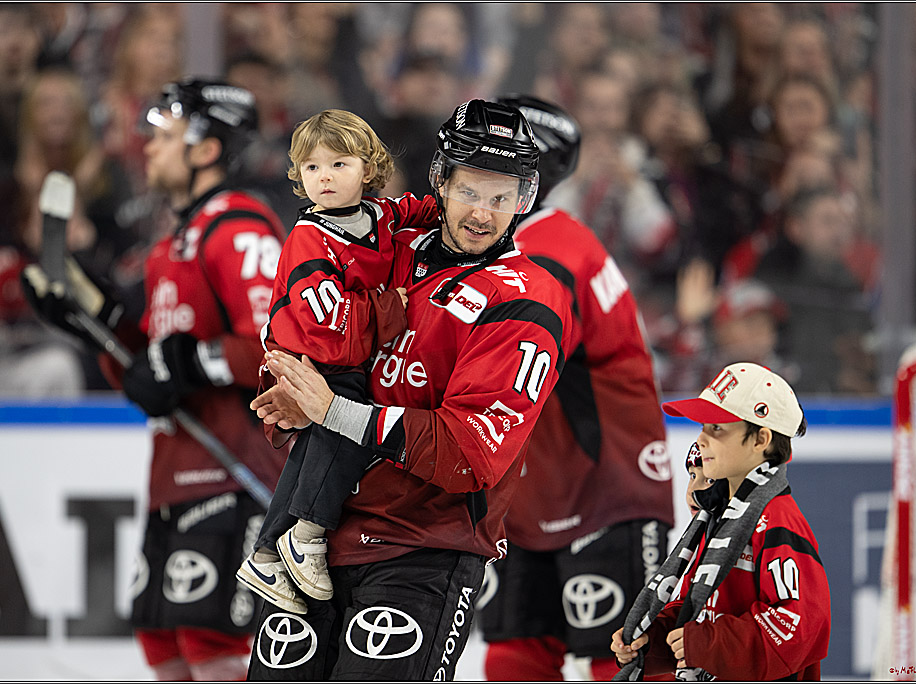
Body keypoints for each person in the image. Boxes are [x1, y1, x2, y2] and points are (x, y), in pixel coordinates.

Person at [246, 99, 574, 680]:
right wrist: (292, 391)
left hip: (421, 550)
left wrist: (333, 410)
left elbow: (470, 453)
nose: (483, 213)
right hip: (318, 544)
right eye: (470, 191)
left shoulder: (527, 299)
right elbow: (314, 331)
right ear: (440, 184)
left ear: (525, 201)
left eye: (503, 198)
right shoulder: (392, 248)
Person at [22, 78, 288, 681]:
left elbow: (279, 348)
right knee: (161, 646)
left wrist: (187, 363)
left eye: (164, 138)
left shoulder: (239, 227)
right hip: (174, 478)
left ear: (206, 149)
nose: (148, 149)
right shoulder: (171, 246)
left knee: (212, 648)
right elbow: (147, 367)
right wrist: (92, 324)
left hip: (234, 475)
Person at [474, 94, 675, 682]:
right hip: (535, 490)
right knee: (516, 652)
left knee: (628, 657)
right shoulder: (522, 243)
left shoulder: (552, 250)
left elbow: (520, 361)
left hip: (604, 485)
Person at [235, 108, 440, 612]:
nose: (323, 177)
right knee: (348, 423)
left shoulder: (377, 215)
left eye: (339, 164)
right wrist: (393, 307)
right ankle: (307, 531)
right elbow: (330, 336)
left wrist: (460, 205)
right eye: (312, 168)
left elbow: (420, 209)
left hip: (336, 357)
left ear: (368, 169)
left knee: (310, 451)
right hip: (308, 359)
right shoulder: (310, 238)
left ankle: (265, 554)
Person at [611, 362, 831, 681]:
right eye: (702, 427)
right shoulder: (716, 517)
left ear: (760, 440)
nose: (700, 439)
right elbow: (699, 610)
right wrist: (653, 640)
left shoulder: (777, 521)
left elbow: (797, 627)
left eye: (716, 428)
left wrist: (705, 643)